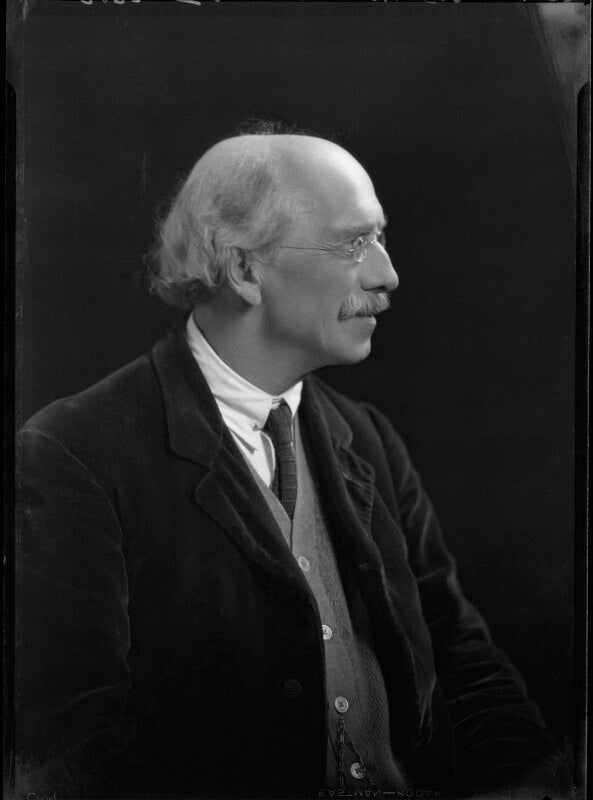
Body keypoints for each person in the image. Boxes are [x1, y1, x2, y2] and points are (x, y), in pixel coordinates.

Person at [16, 129, 567, 799]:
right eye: (352, 243)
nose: (386, 275)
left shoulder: (368, 439)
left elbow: (464, 665)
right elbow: (70, 752)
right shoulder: (74, 453)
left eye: (380, 238)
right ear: (245, 270)